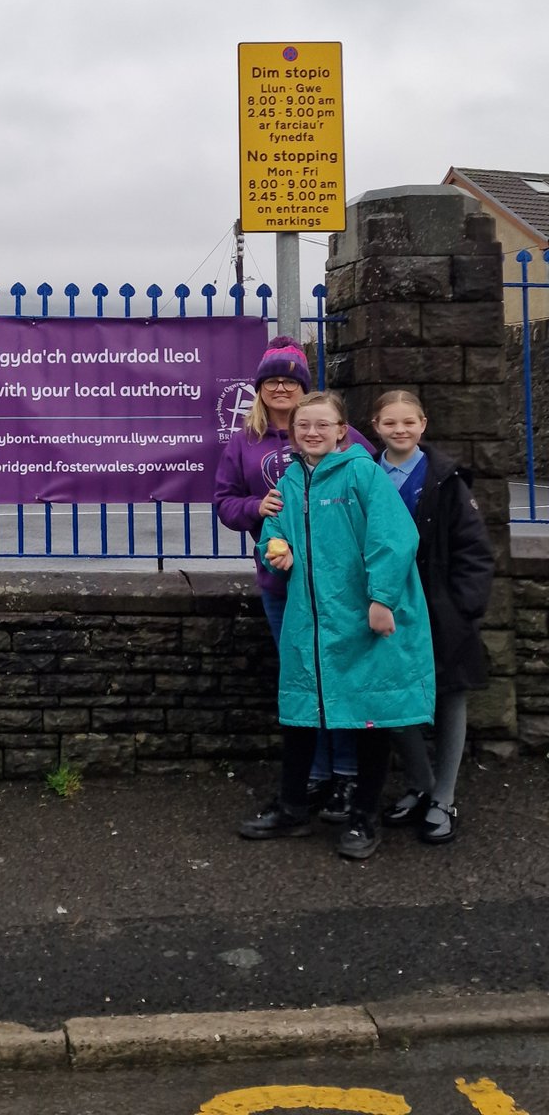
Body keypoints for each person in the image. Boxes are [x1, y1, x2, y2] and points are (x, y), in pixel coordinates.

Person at [239, 390, 435, 860]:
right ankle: (291, 807)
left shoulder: (362, 473)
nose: (312, 432)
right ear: (292, 431)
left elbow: (395, 537)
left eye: (323, 424)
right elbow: (276, 533)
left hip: (360, 614)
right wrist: (274, 545)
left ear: (341, 430)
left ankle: (363, 816)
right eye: (304, 425)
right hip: (309, 617)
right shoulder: (288, 481)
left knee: (369, 716)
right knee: (303, 714)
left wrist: (382, 599)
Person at [214, 336, 369, 821]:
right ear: (259, 388)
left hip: (338, 587)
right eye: (272, 381)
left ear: (303, 388)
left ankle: (346, 774)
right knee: (304, 681)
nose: (281, 388)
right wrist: (254, 508)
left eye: (290, 380)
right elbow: (223, 501)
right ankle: (316, 775)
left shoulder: (340, 435)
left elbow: (371, 487)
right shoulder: (244, 441)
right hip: (282, 586)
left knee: (338, 679)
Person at [373, 391, 494, 844]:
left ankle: (444, 796)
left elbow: (475, 551)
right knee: (391, 700)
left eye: (408, 422)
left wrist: (463, 608)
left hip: (441, 609)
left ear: (423, 424)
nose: (399, 430)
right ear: (375, 425)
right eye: (390, 422)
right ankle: (420, 785)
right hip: (386, 607)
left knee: (449, 698)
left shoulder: (446, 479)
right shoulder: (366, 475)